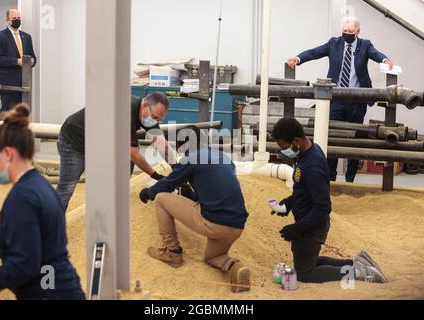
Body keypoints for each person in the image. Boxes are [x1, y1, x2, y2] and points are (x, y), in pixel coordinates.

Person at [0, 104, 85, 300]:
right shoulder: (39, 186)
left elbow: (23, 267)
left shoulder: (22, 199)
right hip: (59, 288)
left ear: (7, 154)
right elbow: (39, 246)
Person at [271, 118, 387, 284]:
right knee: (307, 263)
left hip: (312, 225)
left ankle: (358, 272)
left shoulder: (313, 165)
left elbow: (323, 206)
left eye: (284, 147)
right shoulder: (306, 154)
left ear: (295, 141)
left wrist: (298, 228)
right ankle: (356, 262)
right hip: (306, 221)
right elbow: (303, 190)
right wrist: (288, 203)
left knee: (305, 274)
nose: (283, 151)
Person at [139, 126, 251, 293]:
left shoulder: (191, 158)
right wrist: (190, 194)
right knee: (212, 258)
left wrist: (149, 192)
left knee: (161, 198)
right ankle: (235, 266)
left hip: (214, 223)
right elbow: (214, 190)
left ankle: (172, 252)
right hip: (236, 226)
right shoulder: (223, 157)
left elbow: (169, 183)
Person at [287, 16, 393, 183]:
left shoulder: (365, 45)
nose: (347, 34)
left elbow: (376, 54)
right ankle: (331, 178)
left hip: (357, 101)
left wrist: (385, 60)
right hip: (336, 99)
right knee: (333, 137)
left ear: (358, 31)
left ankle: (350, 179)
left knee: (355, 140)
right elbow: (314, 52)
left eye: (351, 31)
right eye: (345, 31)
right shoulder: (333, 43)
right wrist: (297, 59)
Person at [57, 92, 175, 211]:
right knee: (66, 188)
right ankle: (52, 225)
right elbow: (133, 154)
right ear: (145, 105)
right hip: (75, 140)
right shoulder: (125, 110)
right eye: (154, 117)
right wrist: (156, 175)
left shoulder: (146, 115)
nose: (155, 121)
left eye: (159, 120)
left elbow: (161, 145)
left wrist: (177, 169)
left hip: (98, 141)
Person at [0, 9, 37, 111]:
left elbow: (33, 57)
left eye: (19, 18)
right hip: (8, 83)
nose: (17, 20)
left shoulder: (27, 37)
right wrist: (17, 61)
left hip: (25, 83)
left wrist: (32, 61)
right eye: (14, 19)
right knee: (8, 113)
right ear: (7, 20)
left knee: (21, 114)